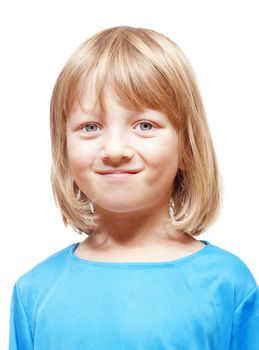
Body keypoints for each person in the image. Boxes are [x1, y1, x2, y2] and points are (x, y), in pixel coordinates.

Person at [9, 26, 258, 349]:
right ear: (65, 149)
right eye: (91, 126)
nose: (114, 149)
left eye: (144, 125)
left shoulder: (229, 284)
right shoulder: (34, 292)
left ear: (186, 146)